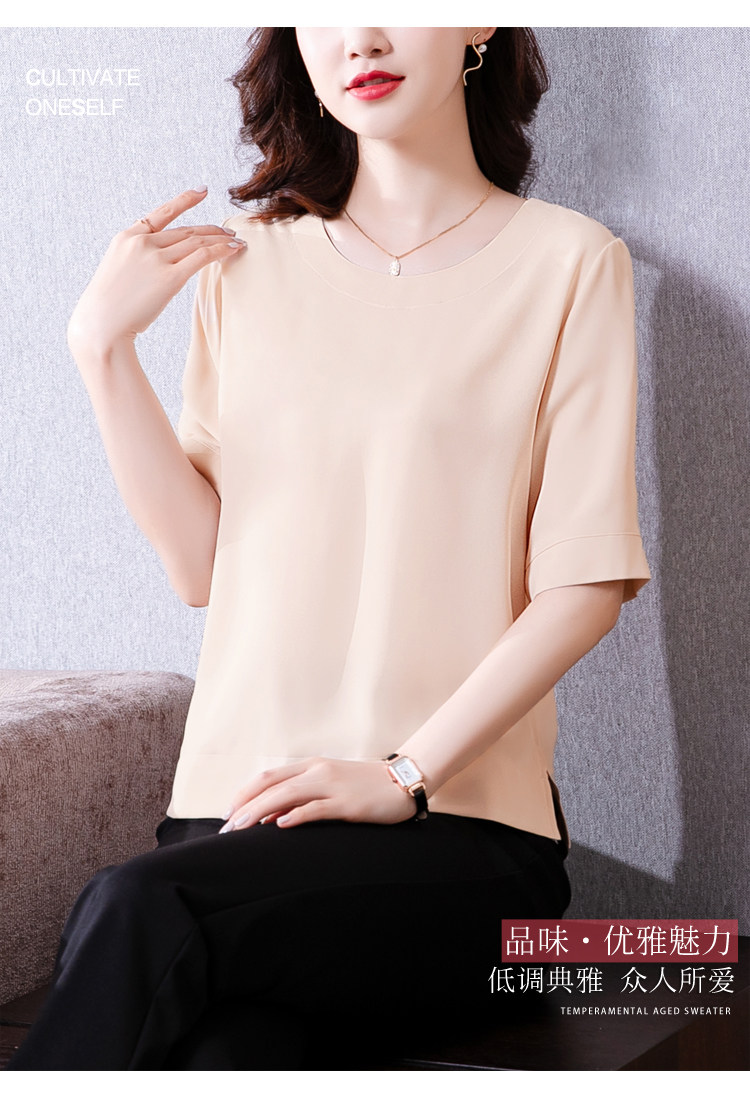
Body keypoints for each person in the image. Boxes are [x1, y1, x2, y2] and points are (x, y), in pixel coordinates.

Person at [8, 27, 650, 1070]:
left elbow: (584, 586)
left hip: (457, 834)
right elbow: (202, 569)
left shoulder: (570, 264)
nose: (361, 35)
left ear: (480, 21)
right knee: (225, 1057)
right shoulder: (242, 265)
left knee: (133, 909)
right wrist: (102, 350)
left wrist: (404, 773)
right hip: (232, 822)